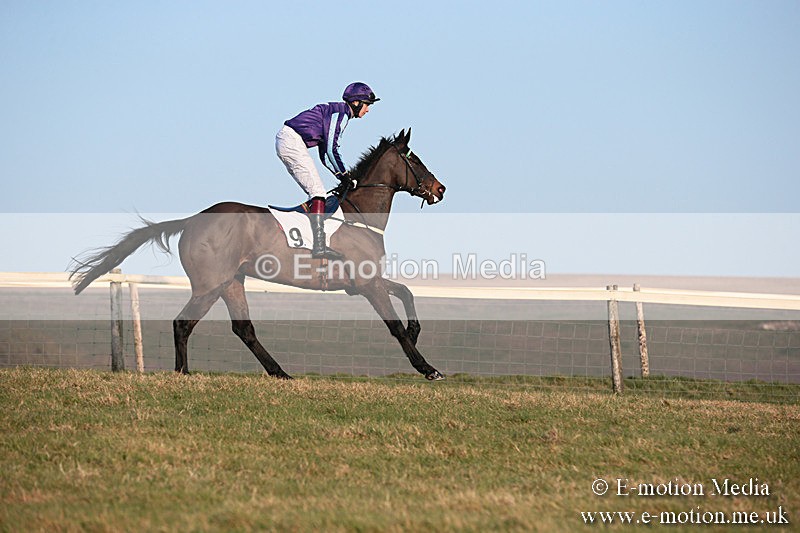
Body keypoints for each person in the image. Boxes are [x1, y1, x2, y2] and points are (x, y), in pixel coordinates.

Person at [275, 82, 380, 260]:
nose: (368, 110)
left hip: (290, 140)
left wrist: (341, 175)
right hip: (292, 141)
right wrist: (345, 175)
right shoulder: (341, 113)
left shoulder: (338, 113)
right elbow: (332, 149)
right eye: (367, 105)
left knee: (317, 192)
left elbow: (324, 153)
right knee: (317, 192)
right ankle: (319, 246)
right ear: (356, 103)